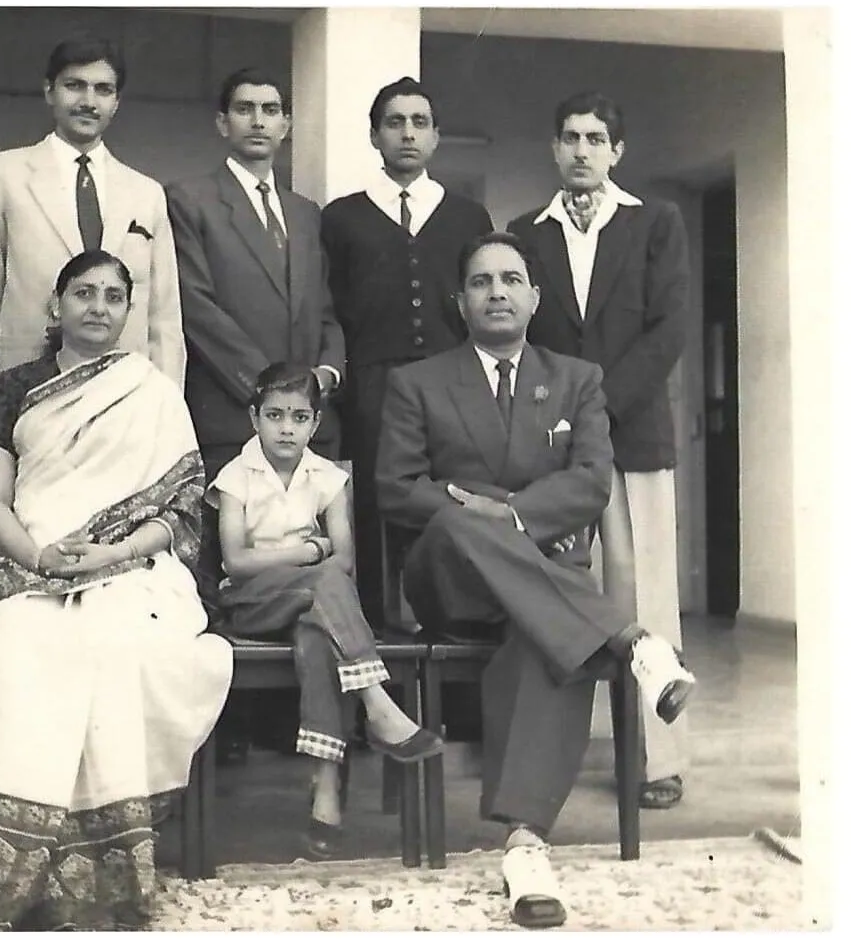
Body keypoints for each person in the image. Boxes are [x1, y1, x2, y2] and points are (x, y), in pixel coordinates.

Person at [375, 232, 695, 929]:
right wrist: (498, 515)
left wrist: (503, 510)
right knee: (460, 525)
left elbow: (589, 483)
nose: (497, 292)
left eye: (511, 279)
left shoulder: (577, 378)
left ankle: (523, 847)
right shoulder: (417, 382)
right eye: (481, 281)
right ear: (459, 302)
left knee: (546, 641)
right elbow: (397, 489)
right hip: (448, 581)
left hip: (539, 600)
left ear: (534, 296)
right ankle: (633, 640)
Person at [0, 250, 232, 932]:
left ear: (127, 311)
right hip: (28, 561)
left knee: (113, 643)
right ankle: (17, 876)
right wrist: (42, 556)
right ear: (54, 308)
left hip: (133, 567)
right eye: (82, 293)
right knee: (15, 643)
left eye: (113, 296)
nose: (97, 306)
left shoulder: (148, 389)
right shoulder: (13, 387)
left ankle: (100, 877)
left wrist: (112, 551)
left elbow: (177, 510)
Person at [506, 92, 691, 810]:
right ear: (553, 149)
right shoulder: (526, 233)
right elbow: (521, 336)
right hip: (554, 445)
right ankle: (546, 761)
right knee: (559, 593)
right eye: (569, 138)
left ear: (616, 151)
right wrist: (563, 420)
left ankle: (657, 760)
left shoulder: (654, 224)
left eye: (595, 138)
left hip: (634, 437)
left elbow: (668, 329)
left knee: (645, 592)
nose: (581, 150)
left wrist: (600, 410)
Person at [166, 67, 346, 758]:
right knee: (228, 576)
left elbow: (327, 313)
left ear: (287, 123)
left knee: (299, 566)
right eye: (243, 109)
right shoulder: (189, 200)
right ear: (221, 122)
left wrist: (324, 374)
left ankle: (292, 731)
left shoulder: (304, 213)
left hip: (302, 425)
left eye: (272, 110)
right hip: (231, 418)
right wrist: (270, 392)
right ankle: (219, 743)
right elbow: (197, 305)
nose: (258, 121)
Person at [207, 363, 443, 859]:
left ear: (316, 423)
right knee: (326, 583)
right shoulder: (236, 475)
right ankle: (376, 704)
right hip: (251, 605)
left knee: (317, 631)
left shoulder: (329, 477)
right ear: (254, 418)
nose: (286, 428)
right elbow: (238, 562)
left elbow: (347, 559)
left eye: (298, 417)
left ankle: (326, 792)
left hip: (314, 605)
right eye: (274, 415)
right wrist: (304, 553)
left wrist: (319, 561)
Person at [0, 33, 184, 482]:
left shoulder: (146, 192)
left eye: (103, 89)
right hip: (30, 397)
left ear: (117, 101)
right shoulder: (0, 175)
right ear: (49, 91)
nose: (88, 101)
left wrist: (167, 409)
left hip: (125, 399)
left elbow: (164, 317)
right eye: (74, 86)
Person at [321, 76, 493, 626]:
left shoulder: (468, 218)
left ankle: (452, 642)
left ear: (437, 137)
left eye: (420, 123)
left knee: (450, 506)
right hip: (374, 386)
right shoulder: (343, 217)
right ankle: (377, 659)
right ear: (375, 136)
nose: (408, 134)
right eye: (394, 123)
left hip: (452, 385)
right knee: (375, 512)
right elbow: (332, 306)